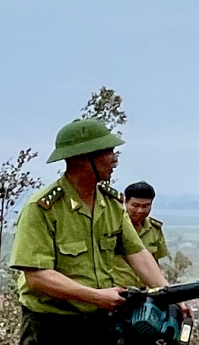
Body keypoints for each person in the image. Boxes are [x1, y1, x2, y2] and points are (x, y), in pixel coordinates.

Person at [9, 119, 181, 345]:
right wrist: (97, 297)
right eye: (108, 152)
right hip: (51, 326)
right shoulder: (42, 209)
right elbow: (37, 277)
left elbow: (136, 252)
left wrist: (169, 295)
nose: (115, 160)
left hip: (101, 323)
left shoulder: (110, 204)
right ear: (82, 158)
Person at [113, 181, 170, 288]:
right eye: (135, 205)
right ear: (126, 202)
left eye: (145, 206)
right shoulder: (113, 227)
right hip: (115, 290)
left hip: (143, 291)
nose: (140, 210)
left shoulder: (154, 229)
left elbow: (155, 263)